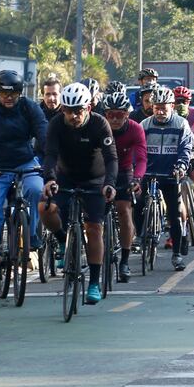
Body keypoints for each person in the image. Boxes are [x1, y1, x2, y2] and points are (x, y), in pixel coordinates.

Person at [41, 82, 118, 305]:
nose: (73, 116)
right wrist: (50, 179)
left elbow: (112, 158)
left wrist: (110, 184)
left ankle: (94, 281)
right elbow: (50, 155)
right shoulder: (56, 124)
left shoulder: (99, 124)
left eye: (78, 111)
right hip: (65, 178)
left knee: (94, 228)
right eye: (67, 111)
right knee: (44, 208)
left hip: (95, 180)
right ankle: (63, 241)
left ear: (88, 108)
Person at [0, 69, 48, 274]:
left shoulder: (29, 107)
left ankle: (32, 235)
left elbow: (43, 134)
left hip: (25, 163)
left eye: (13, 93)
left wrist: (51, 159)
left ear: (20, 93)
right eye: (4, 93)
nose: (8, 97)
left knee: (36, 190)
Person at [141, 86, 194, 270]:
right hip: (149, 173)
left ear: (172, 106)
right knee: (137, 203)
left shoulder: (181, 124)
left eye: (164, 107)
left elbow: (186, 148)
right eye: (157, 107)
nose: (161, 111)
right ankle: (142, 237)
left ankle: (177, 254)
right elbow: (138, 151)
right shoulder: (145, 125)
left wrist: (181, 166)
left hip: (171, 174)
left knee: (174, 214)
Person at [102, 89, 146, 282]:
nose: (115, 119)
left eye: (120, 115)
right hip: (100, 170)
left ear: (127, 114)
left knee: (124, 210)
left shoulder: (136, 129)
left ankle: (125, 261)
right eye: (110, 115)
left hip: (124, 171)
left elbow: (142, 159)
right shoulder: (99, 126)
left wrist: (137, 179)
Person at [173, 85, 194, 206]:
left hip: (191, 153)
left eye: (185, 101)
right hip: (172, 152)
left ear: (189, 102)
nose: (181, 104)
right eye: (178, 101)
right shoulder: (168, 115)